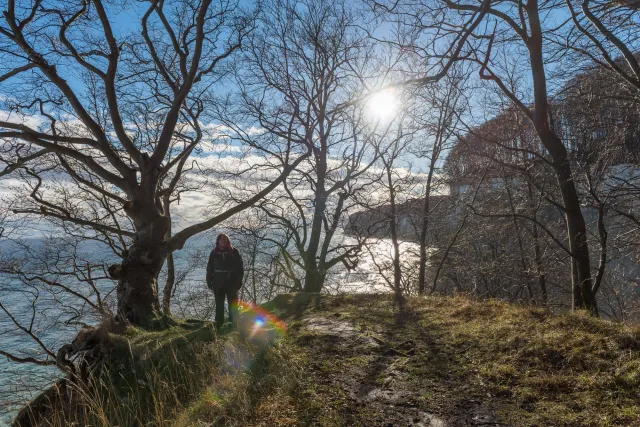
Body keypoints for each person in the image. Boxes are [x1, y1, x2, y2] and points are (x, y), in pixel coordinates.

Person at [206, 233, 244, 328]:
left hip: (232, 282)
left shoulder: (234, 251)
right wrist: (209, 281)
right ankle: (218, 325)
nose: (223, 241)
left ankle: (234, 324)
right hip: (218, 283)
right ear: (218, 241)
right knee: (219, 304)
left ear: (227, 241)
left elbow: (240, 268)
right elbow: (209, 268)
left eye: (224, 239)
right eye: (221, 240)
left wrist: (239, 280)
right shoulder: (214, 252)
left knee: (233, 304)